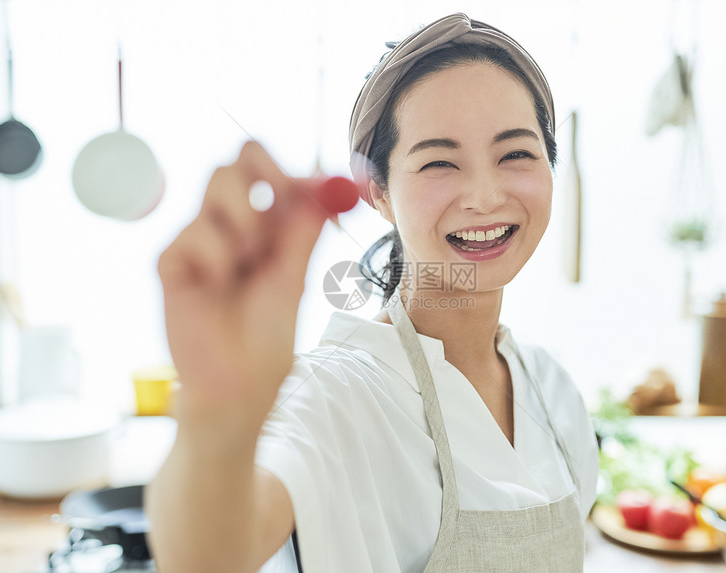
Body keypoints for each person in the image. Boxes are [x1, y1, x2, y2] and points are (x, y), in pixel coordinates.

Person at [146, 13, 598, 573]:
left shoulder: (552, 391)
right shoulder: (333, 394)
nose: (484, 195)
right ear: (378, 192)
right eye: (439, 161)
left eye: (516, 154)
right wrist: (219, 417)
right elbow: (208, 556)